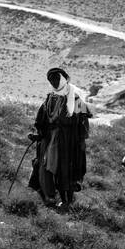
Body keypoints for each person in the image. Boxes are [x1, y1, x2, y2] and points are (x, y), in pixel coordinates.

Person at [30, 66, 92, 209]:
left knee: (66, 169)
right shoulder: (50, 97)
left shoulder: (75, 96)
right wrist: (38, 134)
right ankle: (49, 197)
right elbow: (41, 119)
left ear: (63, 79)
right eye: (51, 79)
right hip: (51, 138)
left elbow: (83, 119)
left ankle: (67, 201)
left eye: (56, 78)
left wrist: (81, 140)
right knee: (45, 166)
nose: (54, 82)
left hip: (69, 140)